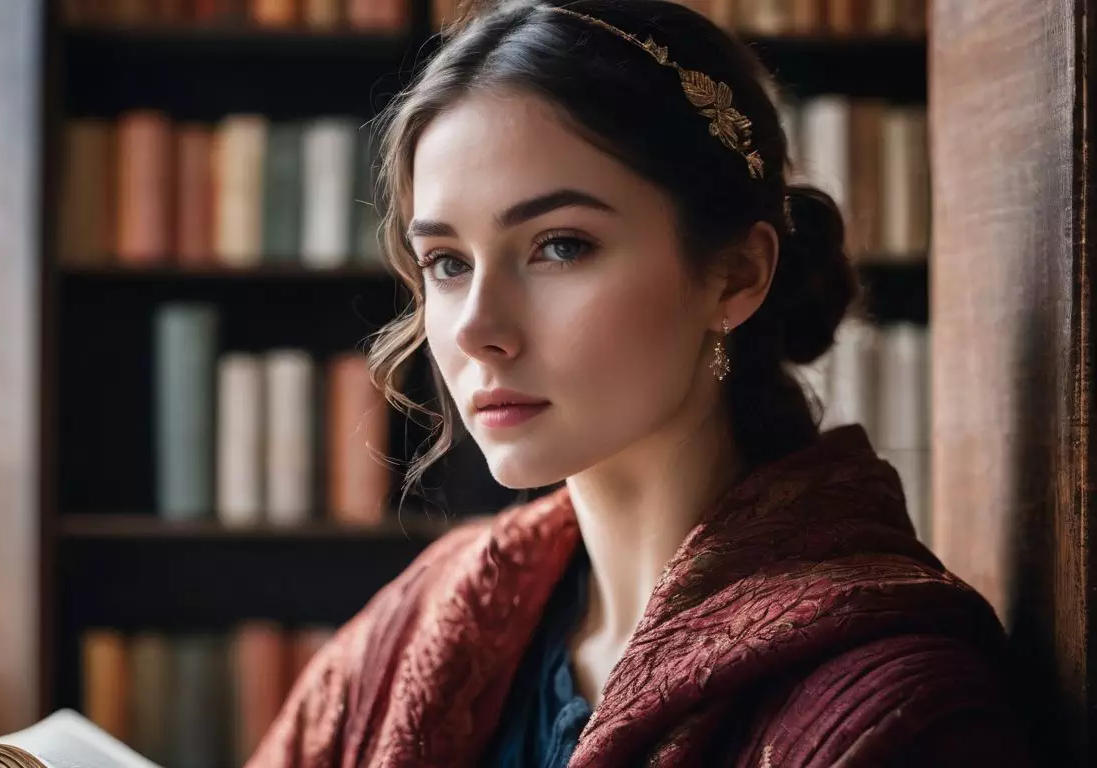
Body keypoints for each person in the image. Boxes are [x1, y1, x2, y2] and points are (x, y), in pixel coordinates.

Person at [249, 0, 1031, 764]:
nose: (476, 328)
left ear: (735, 274)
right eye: (448, 263)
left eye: (560, 246)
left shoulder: (896, 712)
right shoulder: (425, 619)